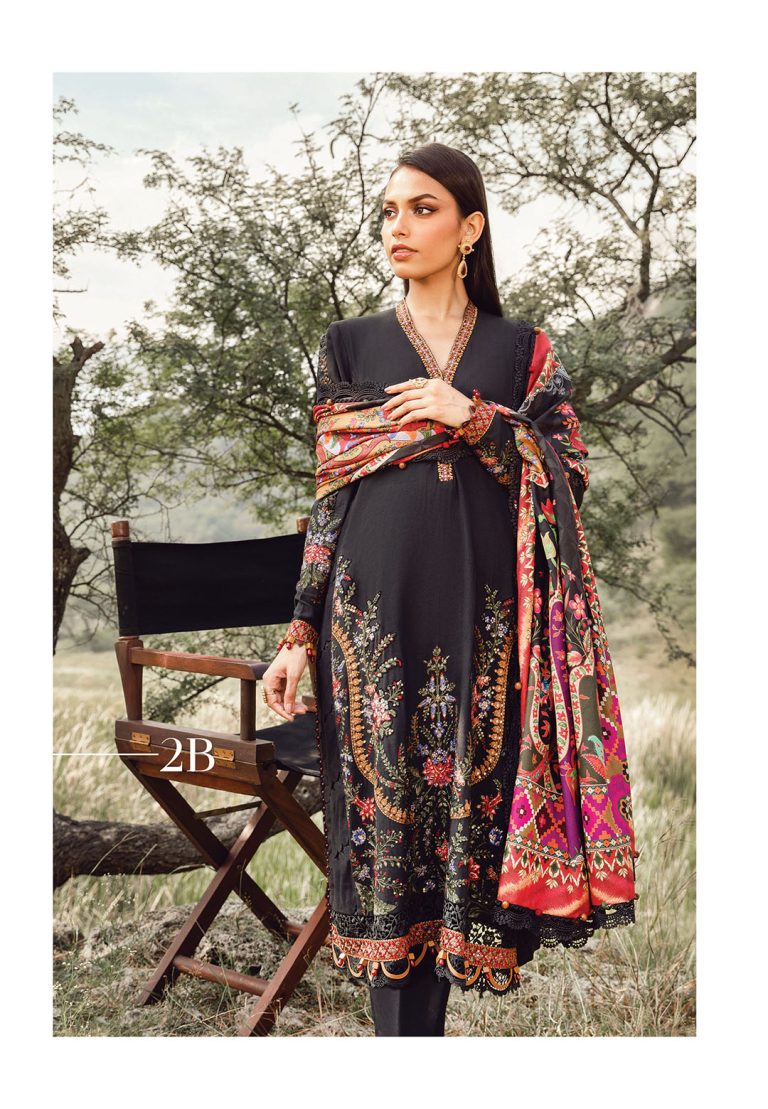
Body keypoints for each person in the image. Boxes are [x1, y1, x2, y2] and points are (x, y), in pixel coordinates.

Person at [261, 143, 638, 1037]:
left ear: (470, 228)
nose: (398, 226)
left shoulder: (521, 351)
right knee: (387, 836)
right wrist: (298, 633)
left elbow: (568, 473)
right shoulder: (349, 343)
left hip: (487, 626)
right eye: (389, 210)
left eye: (422, 208)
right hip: (371, 623)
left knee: (465, 830)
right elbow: (331, 498)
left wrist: (470, 416)